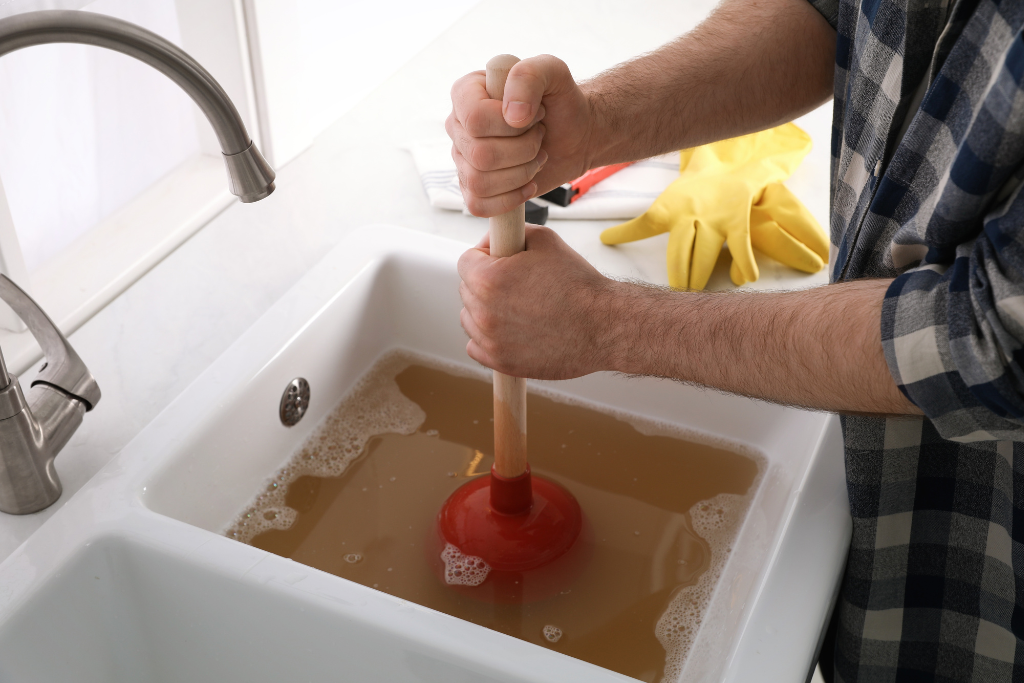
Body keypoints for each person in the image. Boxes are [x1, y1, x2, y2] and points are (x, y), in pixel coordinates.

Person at [447, 0, 1024, 680]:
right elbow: (832, 11)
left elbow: (989, 337)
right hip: (877, 506)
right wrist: (594, 124)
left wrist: (603, 322)